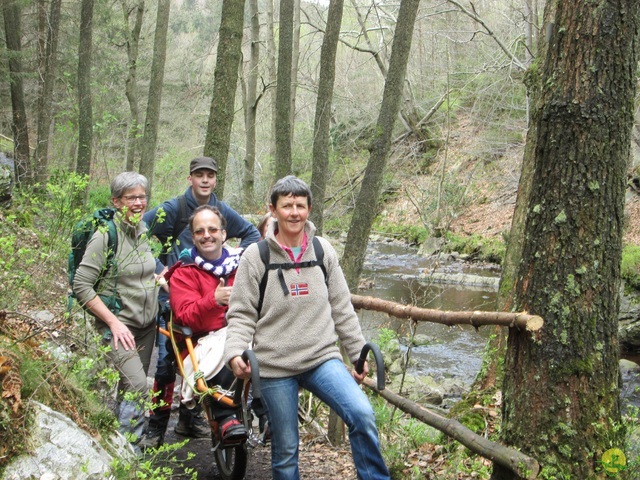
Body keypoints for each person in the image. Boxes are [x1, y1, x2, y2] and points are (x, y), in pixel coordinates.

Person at [224, 176, 390, 480]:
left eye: (300, 205)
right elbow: (241, 314)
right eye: (287, 205)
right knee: (286, 450)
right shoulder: (255, 257)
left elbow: (342, 305)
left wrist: (357, 353)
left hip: (321, 359)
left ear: (309, 209)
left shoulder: (322, 251)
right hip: (275, 365)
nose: (294, 212)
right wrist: (235, 351)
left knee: (362, 414)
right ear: (273, 210)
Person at [140, 156, 260, 448]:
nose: (205, 180)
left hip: (213, 294)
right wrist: (158, 268)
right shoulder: (174, 209)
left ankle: (189, 420)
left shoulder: (221, 211)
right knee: (168, 365)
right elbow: (139, 231)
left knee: (212, 353)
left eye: (210, 175)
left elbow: (252, 234)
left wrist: (235, 258)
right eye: (199, 175)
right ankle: (157, 427)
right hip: (175, 293)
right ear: (190, 178)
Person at [73, 172, 159, 446]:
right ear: (116, 201)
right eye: (131, 197)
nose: (138, 202)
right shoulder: (105, 236)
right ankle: (128, 456)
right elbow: (82, 285)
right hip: (120, 324)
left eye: (142, 196)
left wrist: (159, 279)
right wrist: (113, 323)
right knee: (137, 386)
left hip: (146, 327)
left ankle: (119, 443)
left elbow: (140, 272)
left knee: (128, 388)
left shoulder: (142, 230)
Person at [167, 205, 248, 444]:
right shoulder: (184, 271)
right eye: (200, 231)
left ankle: (267, 412)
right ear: (193, 238)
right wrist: (213, 300)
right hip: (202, 340)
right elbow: (184, 316)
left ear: (224, 234)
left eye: (213, 229)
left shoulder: (243, 265)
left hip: (244, 330)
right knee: (226, 346)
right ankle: (225, 419)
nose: (207, 235)